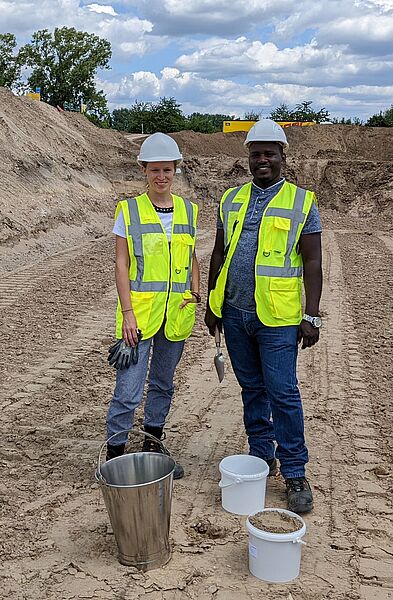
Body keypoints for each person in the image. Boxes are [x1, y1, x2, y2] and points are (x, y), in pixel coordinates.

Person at [205, 119, 322, 513]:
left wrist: (313, 315)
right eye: (256, 154)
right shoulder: (231, 199)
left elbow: (313, 261)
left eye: (270, 153)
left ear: (283, 156)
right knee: (252, 390)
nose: (262, 160)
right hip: (236, 314)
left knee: (283, 393)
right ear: (248, 158)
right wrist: (212, 304)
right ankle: (260, 457)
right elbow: (219, 254)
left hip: (278, 319)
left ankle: (294, 472)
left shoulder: (302, 202)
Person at [106, 132, 200, 479]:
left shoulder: (190, 211)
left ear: (176, 170)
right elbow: (121, 264)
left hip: (175, 314)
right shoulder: (128, 210)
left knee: (163, 383)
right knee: (128, 390)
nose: (161, 177)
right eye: (155, 170)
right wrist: (128, 313)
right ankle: (114, 453)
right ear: (144, 170)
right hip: (139, 316)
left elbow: (192, 256)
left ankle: (152, 442)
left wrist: (195, 291)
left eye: (168, 170)